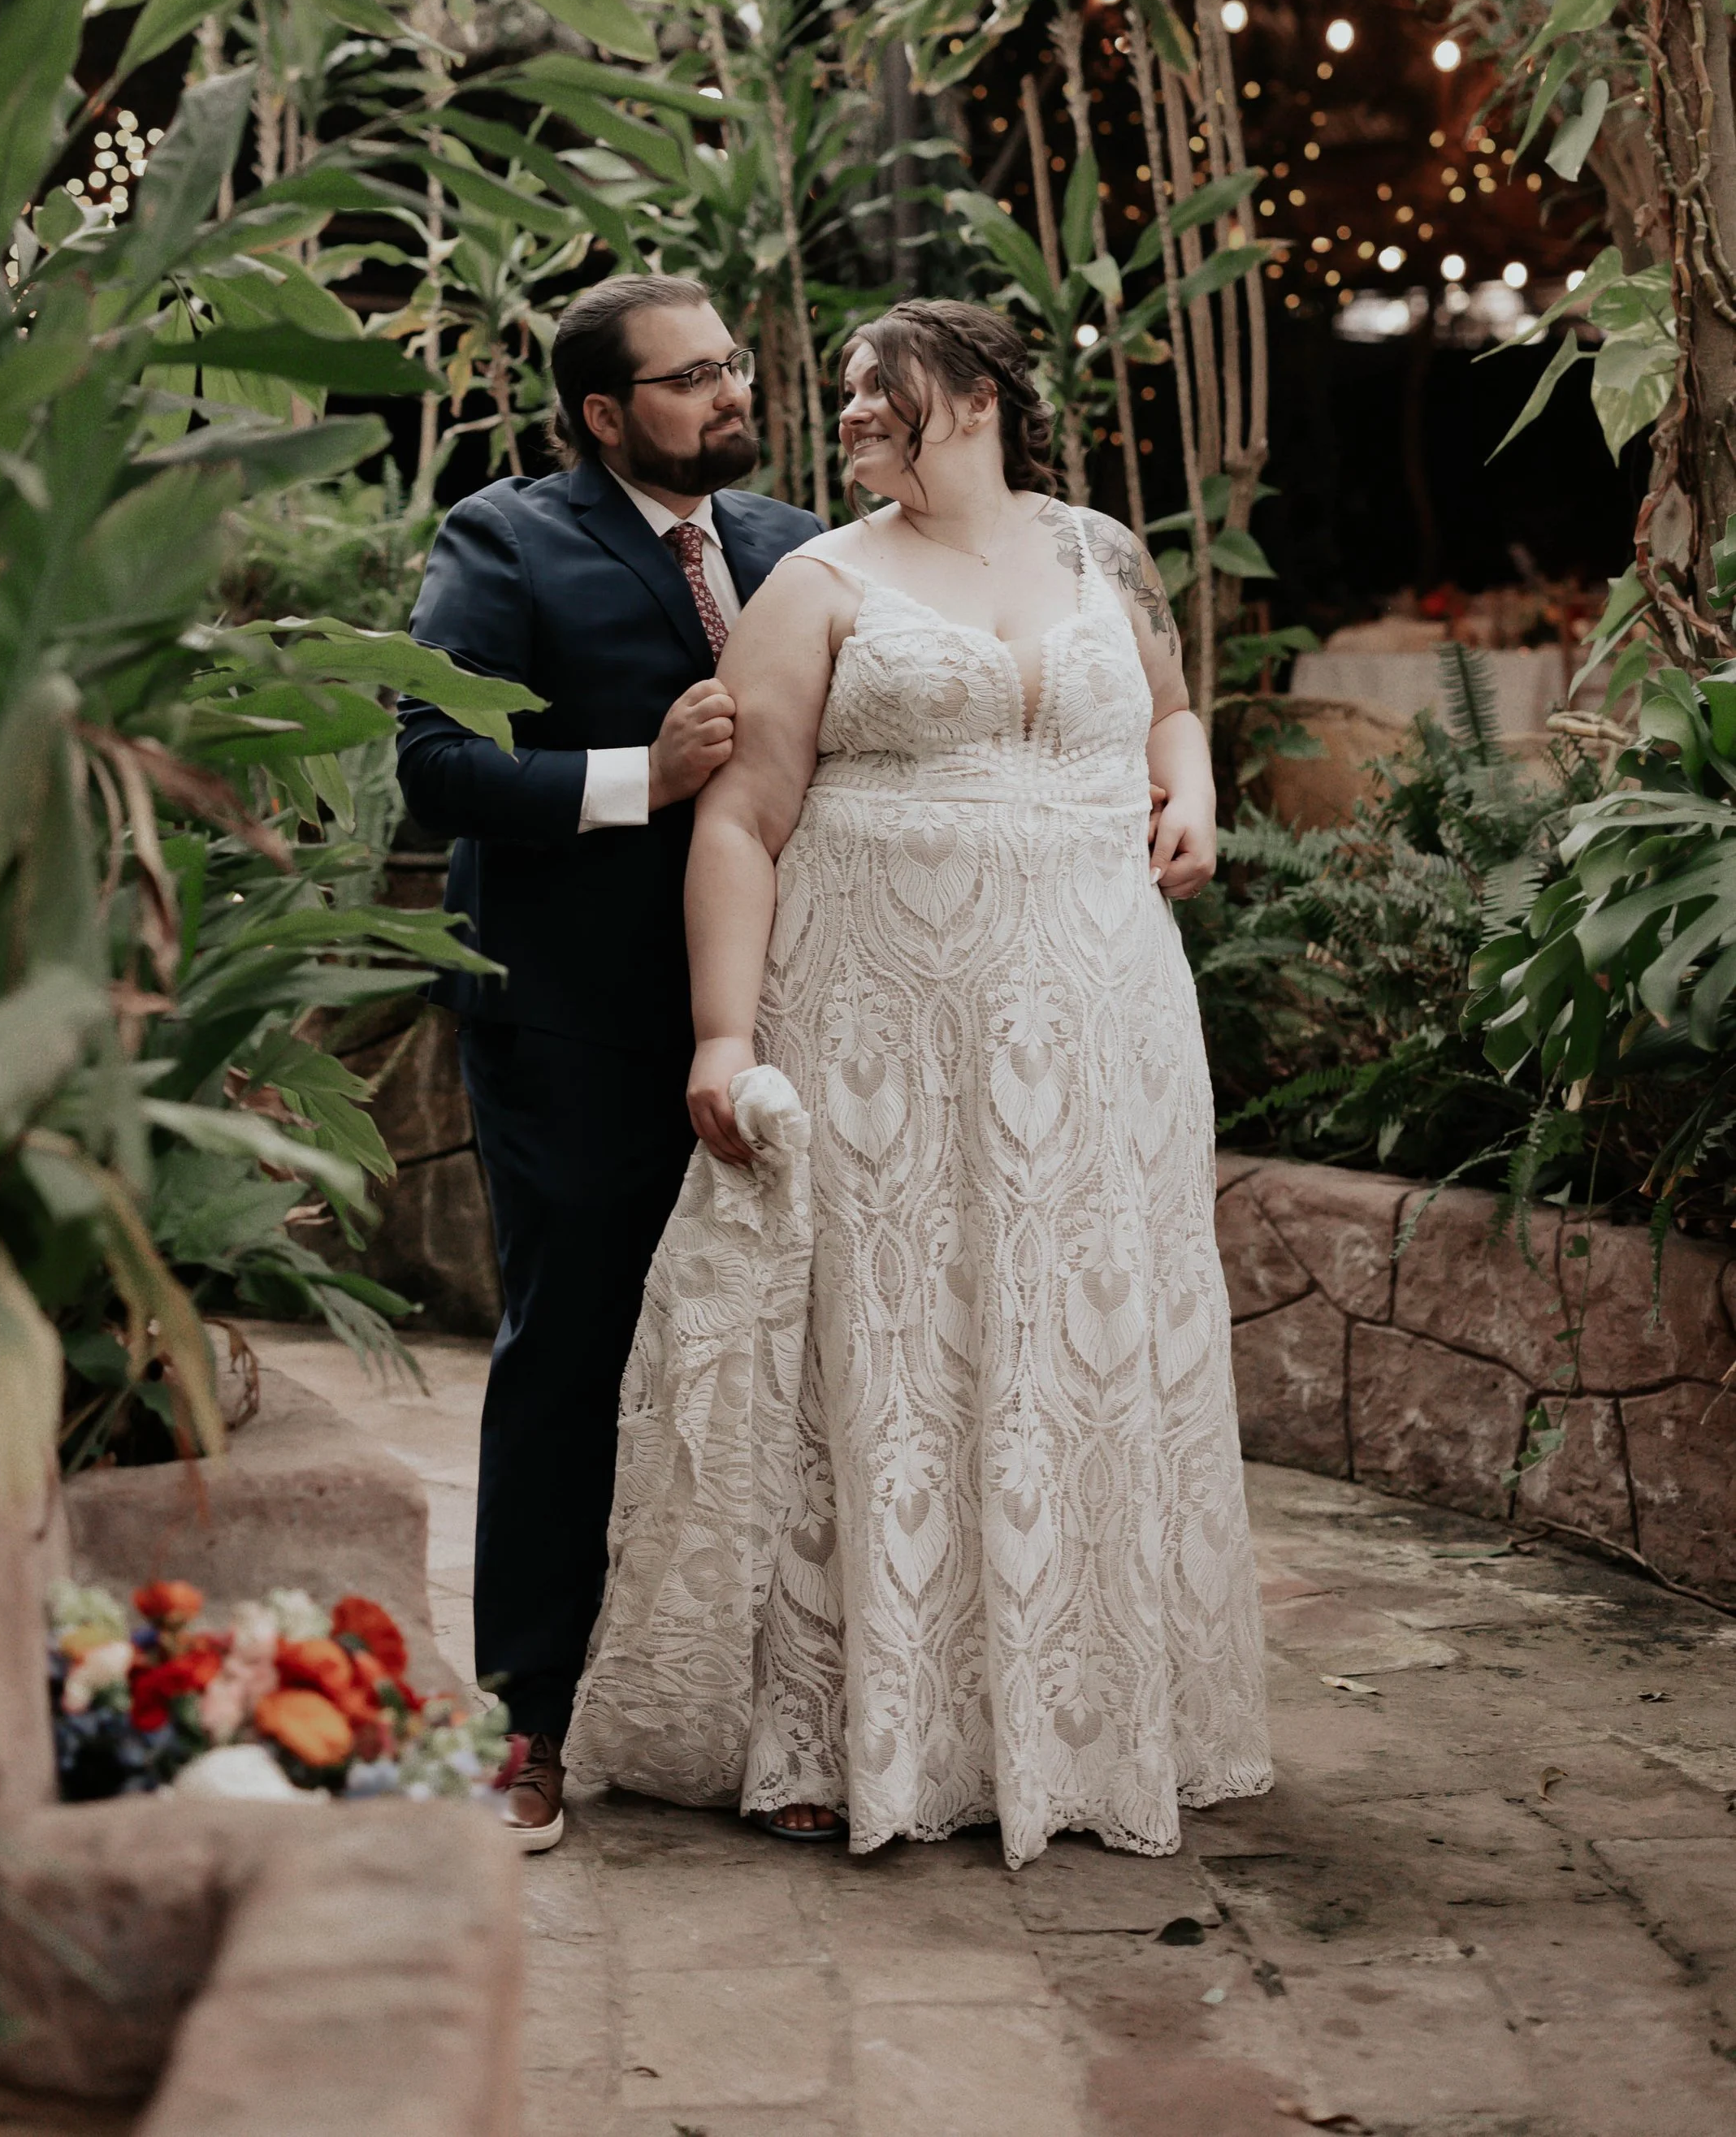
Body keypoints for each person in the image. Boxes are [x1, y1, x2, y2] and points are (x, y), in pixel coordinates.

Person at [565, 298, 1271, 1865]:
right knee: (889, 1344)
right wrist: (725, 1038)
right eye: (850, 393)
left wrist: (1196, 794)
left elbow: (1167, 711)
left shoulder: (1105, 554)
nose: (853, 412)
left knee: (1076, 1332)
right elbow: (740, 819)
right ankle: (845, 1725)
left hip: (1100, 1020)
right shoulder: (816, 582)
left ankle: (1082, 1715)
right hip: (876, 1022)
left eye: (883, 387)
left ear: (981, 395)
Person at [394, 274, 820, 1852]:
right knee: (571, 1351)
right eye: (688, 376)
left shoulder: (790, 548)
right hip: (568, 1020)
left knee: (773, 1364)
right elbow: (434, 766)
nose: (726, 391)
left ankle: (761, 1710)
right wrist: (643, 774)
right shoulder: (501, 543)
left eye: (730, 365)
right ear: (599, 413)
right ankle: (532, 1719)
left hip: (780, 1029)